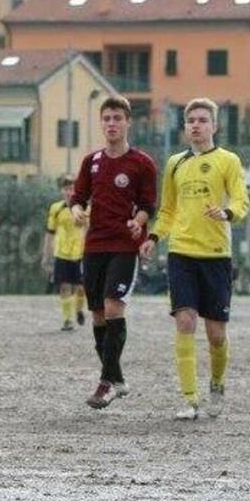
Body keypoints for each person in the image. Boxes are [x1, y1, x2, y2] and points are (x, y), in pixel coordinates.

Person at [139, 98, 250, 419]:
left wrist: (227, 212)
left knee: (216, 334)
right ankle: (189, 400)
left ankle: (217, 382)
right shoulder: (175, 163)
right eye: (191, 121)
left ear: (214, 126)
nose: (196, 125)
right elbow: (169, 209)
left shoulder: (228, 160)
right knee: (185, 320)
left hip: (216, 256)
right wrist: (154, 237)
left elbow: (242, 201)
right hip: (181, 253)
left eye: (203, 120)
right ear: (185, 127)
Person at [70, 96, 157, 410]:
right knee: (97, 313)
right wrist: (77, 210)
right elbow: (77, 197)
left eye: (117, 118)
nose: (111, 123)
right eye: (106, 118)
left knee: (112, 307)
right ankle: (117, 378)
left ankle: (105, 383)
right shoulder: (91, 161)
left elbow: (149, 205)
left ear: (128, 122)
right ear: (101, 122)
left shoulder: (142, 163)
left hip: (124, 246)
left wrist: (139, 222)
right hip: (94, 245)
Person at [42, 174, 86, 331]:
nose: (69, 192)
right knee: (64, 286)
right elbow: (50, 233)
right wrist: (46, 256)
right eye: (66, 189)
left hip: (80, 253)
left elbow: (89, 228)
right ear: (62, 191)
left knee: (81, 288)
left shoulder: (85, 208)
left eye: (72, 189)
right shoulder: (56, 208)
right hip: (61, 253)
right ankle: (68, 320)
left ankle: (79, 309)